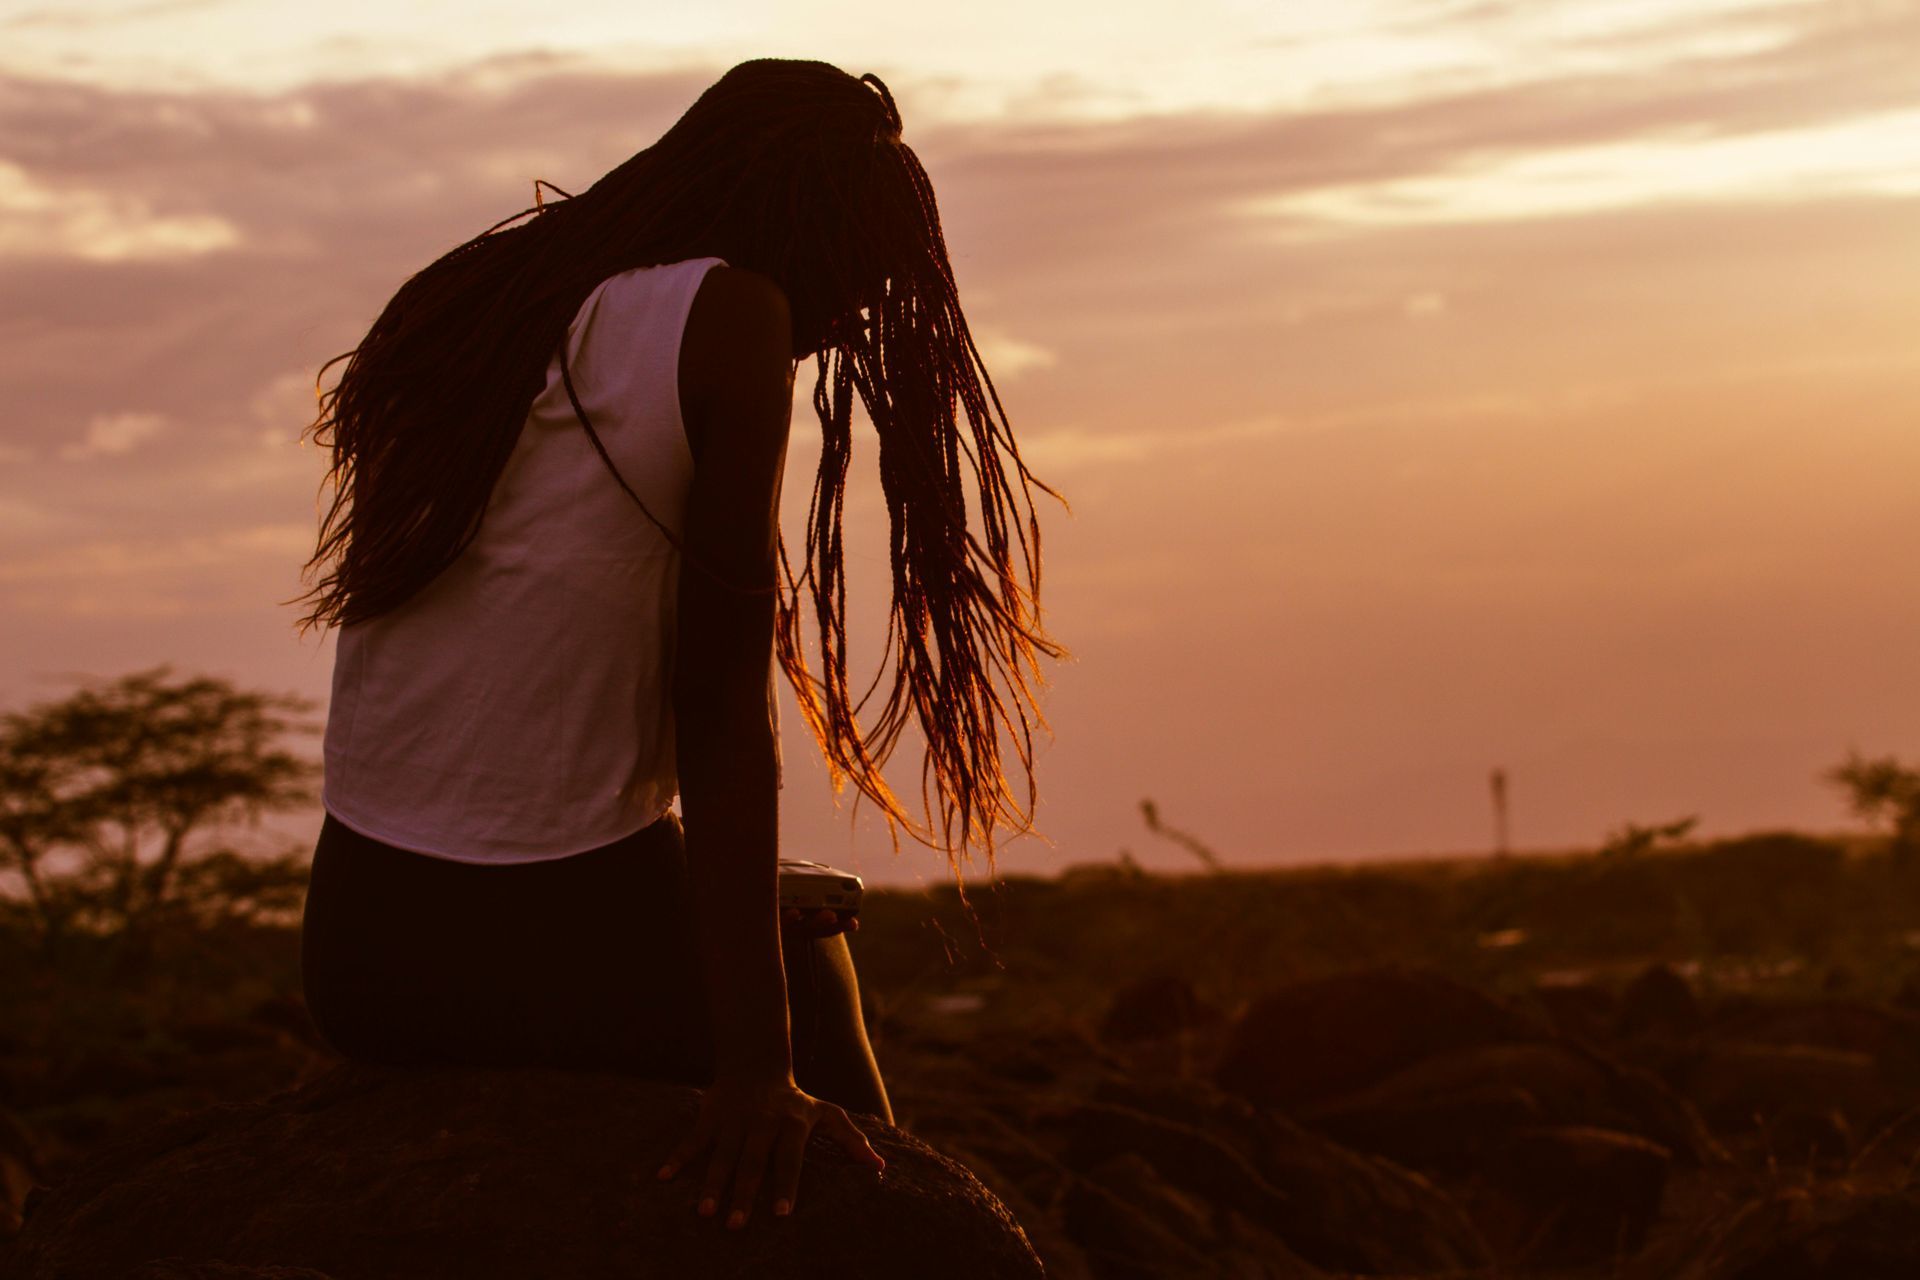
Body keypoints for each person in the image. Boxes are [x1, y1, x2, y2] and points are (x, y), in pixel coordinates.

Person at [293, 59, 1063, 1233]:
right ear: (795, 226)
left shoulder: (470, 297)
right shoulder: (728, 317)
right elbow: (717, 705)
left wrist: (718, 885)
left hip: (360, 946)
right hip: (527, 927)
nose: (851, 321)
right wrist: (758, 1070)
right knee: (818, 986)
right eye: (854, 277)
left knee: (781, 904)